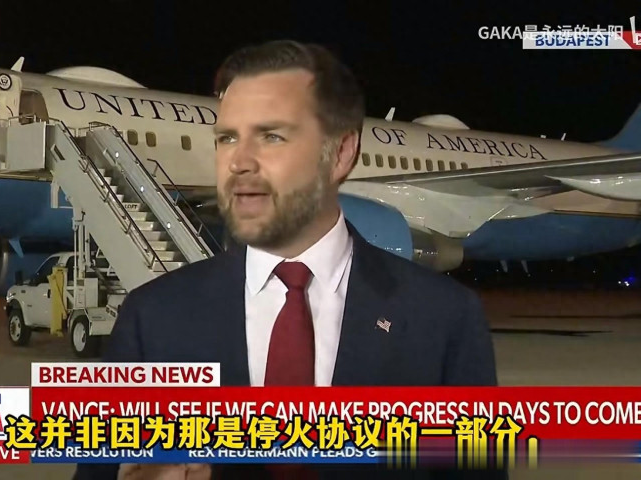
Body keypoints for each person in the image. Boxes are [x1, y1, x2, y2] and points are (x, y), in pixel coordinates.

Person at [73, 40, 503, 480]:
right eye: (227, 138)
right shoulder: (151, 317)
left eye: (272, 136)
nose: (238, 162)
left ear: (340, 153)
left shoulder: (446, 318)